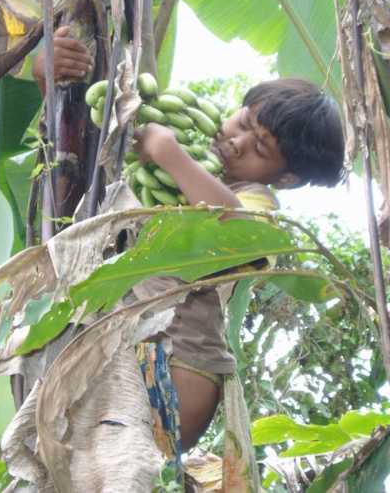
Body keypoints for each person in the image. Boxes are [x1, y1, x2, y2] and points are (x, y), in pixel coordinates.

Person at [31, 28, 345, 481]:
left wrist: (172, 157)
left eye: (259, 148)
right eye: (242, 123)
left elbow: (237, 232)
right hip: (111, 339)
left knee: (123, 476)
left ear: (287, 178)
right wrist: (49, 77)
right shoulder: (172, 153)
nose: (236, 142)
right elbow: (81, 167)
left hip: (179, 364)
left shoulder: (257, 204)